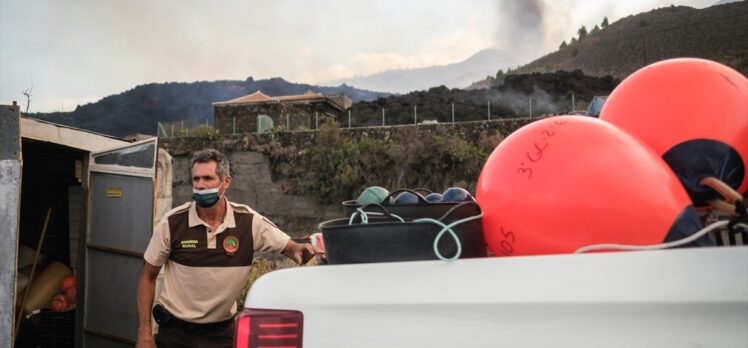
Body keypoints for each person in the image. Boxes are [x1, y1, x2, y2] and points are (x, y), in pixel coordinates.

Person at [136, 148, 319, 348]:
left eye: (207, 178)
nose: (200, 186)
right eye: (196, 179)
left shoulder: (248, 222)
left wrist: (301, 250)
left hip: (221, 335)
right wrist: (144, 333)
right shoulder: (172, 223)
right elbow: (147, 277)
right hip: (175, 334)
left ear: (226, 182)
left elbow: (290, 248)